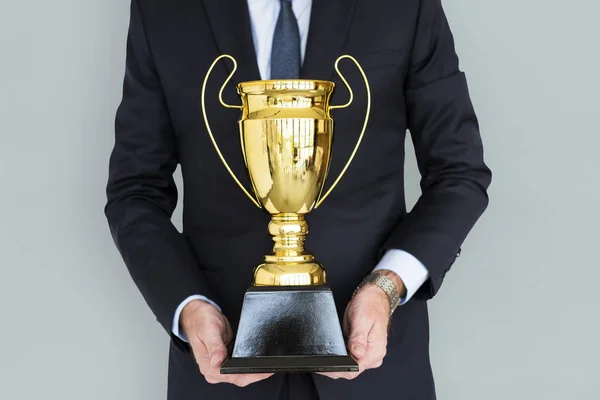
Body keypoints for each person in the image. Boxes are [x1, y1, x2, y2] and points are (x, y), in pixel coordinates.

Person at [105, 0, 491, 399]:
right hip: (222, 374)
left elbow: (459, 174)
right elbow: (135, 191)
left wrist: (387, 287)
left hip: (376, 374)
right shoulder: (163, 10)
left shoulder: (404, 6)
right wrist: (188, 307)